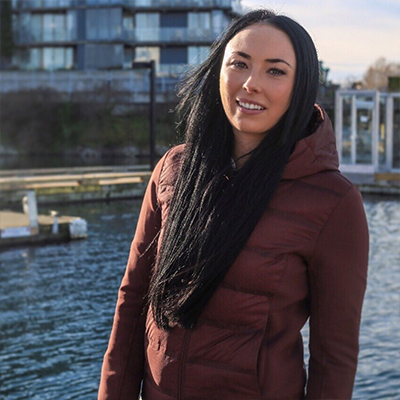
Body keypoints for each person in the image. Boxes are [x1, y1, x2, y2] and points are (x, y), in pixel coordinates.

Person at [99, 9, 369, 400]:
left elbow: (334, 358)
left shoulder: (333, 201)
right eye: (239, 64)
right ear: (218, 71)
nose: (251, 84)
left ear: (301, 87)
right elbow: (132, 302)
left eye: (275, 71)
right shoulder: (173, 169)